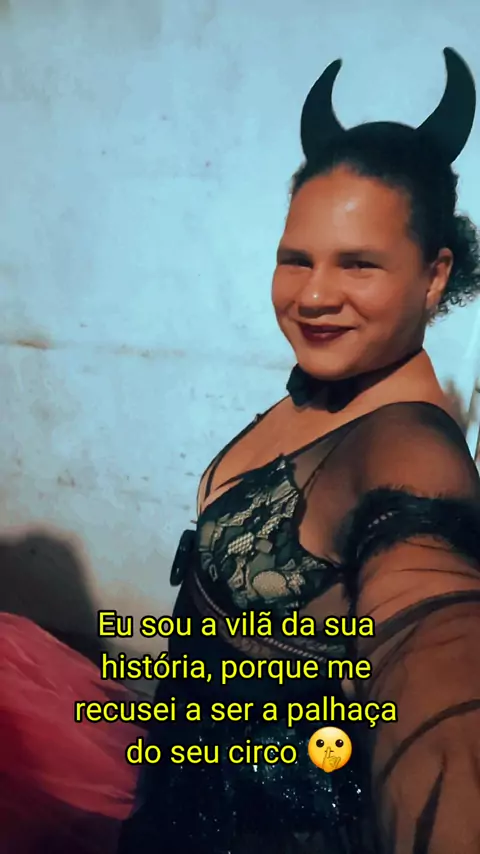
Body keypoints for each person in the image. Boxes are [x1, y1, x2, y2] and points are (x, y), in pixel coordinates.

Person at [117, 47, 480, 854]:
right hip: (180, 789)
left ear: (433, 275)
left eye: (359, 263)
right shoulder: (321, 387)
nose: (312, 295)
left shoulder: (411, 452)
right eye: (296, 259)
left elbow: (440, 665)